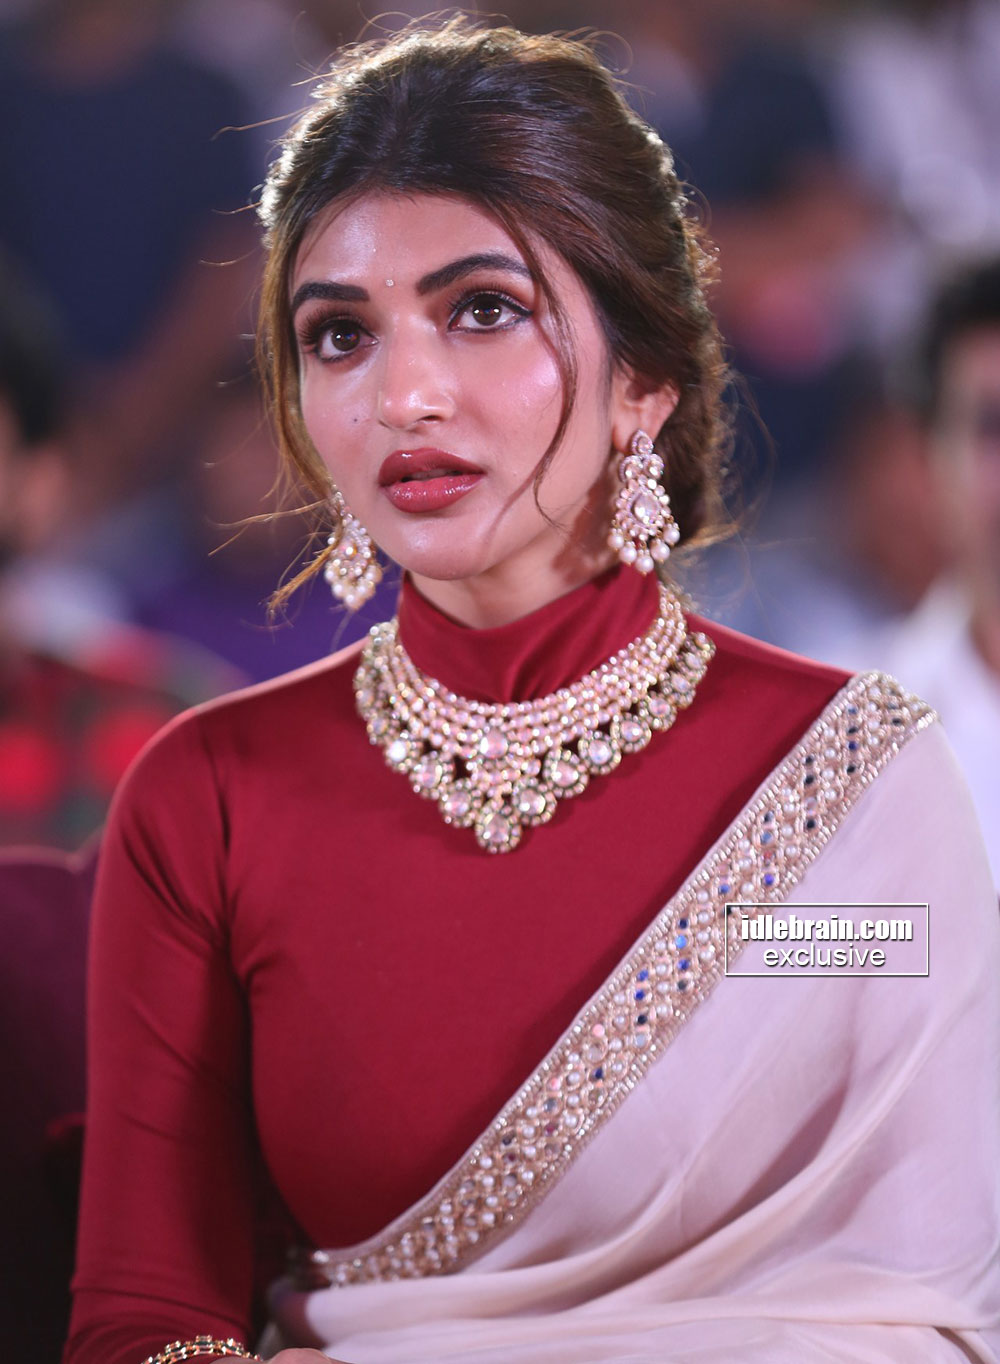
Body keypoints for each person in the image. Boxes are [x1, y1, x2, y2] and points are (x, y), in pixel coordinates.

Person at [62, 18, 1000, 1364]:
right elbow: (146, 1324)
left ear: (644, 380)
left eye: (483, 311)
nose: (403, 394)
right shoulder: (210, 800)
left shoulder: (859, 787)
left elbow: (925, 1322)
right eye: (340, 335)